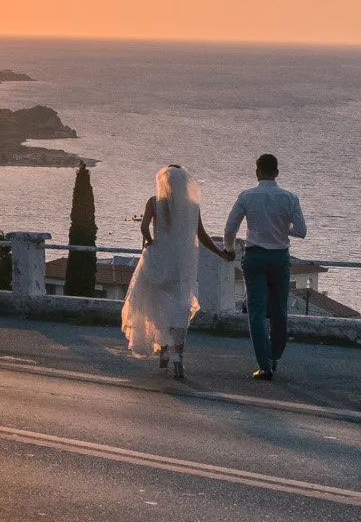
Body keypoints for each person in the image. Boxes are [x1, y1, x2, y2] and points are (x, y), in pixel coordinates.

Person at [121, 165, 233, 379]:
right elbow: (201, 235)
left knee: (158, 307)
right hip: (181, 264)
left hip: (159, 261)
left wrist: (152, 242)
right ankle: (178, 358)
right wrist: (220, 253)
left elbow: (144, 228)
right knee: (179, 309)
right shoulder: (191, 206)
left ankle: (163, 351)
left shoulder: (154, 202)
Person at [223, 152, 308, 381]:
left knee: (256, 312)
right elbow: (301, 231)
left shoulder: (247, 196)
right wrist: (282, 228)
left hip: (255, 257)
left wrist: (230, 249)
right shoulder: (290, 198)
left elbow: (230, 228)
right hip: (280, 258)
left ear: (257, 171)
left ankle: (264, 365)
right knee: (280, 310)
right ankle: (275, 356)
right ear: (277, 173)